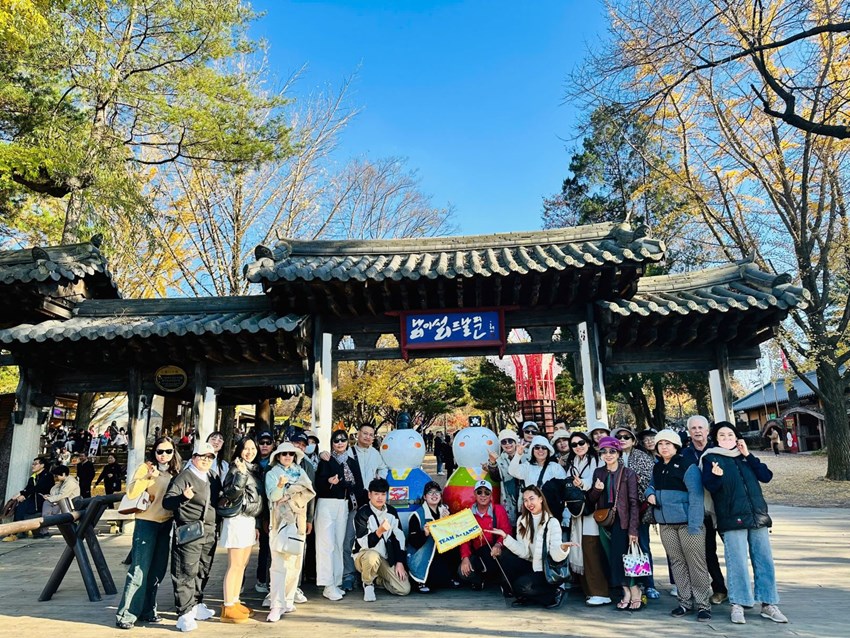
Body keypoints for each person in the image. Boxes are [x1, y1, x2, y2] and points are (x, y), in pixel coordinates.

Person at [700, 422, 788, 625]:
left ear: (736, 436)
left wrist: (748, 455)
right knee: (737, 561)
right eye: (722, 435)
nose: (726, 438)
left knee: (764, 560)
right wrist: (716, 476)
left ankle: (768, 604)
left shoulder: (745, 456)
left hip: (757, 516)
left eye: (730, 434)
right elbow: (709, 487)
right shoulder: (711, 457)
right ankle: (738, 604)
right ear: (716, 438)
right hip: (731, 518)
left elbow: (766, 476)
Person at [115, 437, 181, 629]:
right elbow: (132, 493)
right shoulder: (146, 468)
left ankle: (148, 609)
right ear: (154, 452)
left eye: (168, 451)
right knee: (139, 569)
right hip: (146, 522)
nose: (164, 455)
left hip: (166, 523)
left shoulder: (175, 471)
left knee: (158, 570)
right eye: (160, 451)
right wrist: (148, 477)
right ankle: (126, 614)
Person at [646, 429, 712, 622]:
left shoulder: (687, 465)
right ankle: (684, 601)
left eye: (668, 443)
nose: (664, 447)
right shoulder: (657, 467)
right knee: (677, 562)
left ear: (675, 445)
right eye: (660, 444)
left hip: (688, 524)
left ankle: (703, 604)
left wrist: (695, 524)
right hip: (666, 524)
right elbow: (651, 485)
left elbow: (696, 495)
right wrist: (649, 493)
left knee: (696, 563)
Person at [488, 486, 578, 608]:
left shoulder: (552, 522)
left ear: (540, 499)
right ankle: (527, 595)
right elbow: (523, 552)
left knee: (520, 586)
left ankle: (554, 593)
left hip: (545, 571)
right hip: (531, 565)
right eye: (525, 500)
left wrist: (563, 548)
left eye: (532, 499)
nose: (529, 503)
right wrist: (505, 537)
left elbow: (556, 557)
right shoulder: (522, 521)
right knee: (505, 558)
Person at [163, 441, 219, 632]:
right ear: (194, 457)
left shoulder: (212, 476)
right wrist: (183, 498)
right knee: (185, 570)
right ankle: (184, 612)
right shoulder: (184, 477)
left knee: (203, 569)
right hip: (190, 530)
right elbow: (168, 502)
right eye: (202, 456)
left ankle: (196, 604)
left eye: (210, 457)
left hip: (209, 530)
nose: (206, 460)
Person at [588, 435, 641, 611]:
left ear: (618, 452)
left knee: (624, 556)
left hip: (622, 519)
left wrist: (633, 529)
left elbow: (634, 502)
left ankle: (634, 590)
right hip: (604, 519)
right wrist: (597, 489)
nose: (608, 455)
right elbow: (591, 499)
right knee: (612, 557)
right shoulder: (599, 472)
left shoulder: (628, 473)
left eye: (612, 451)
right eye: (604, 451)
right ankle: (625, 590)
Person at [265, 441, 316, 621]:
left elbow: (309, 491)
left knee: (295, 562)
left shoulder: (300, 472)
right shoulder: (272, 474)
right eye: (284, 454)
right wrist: (281, 487)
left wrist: (290, 494)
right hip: (279, 522)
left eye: (291, 454)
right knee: (278, 564)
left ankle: (288, 599)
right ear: (278, 456)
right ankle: (276, 604)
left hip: (298, 520)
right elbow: (273, 496)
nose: (288, 457)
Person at [682, 415, 727, 604]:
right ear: (689, 432)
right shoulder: (684, 454)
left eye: (701, 427)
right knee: (707, 552)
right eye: (693, 428)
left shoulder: (720, 451)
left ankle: (741, 591)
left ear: (708, 431)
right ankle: (719, 588)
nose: (697, 431)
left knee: (733, 550)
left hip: (723, 507)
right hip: (700, 510)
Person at [314, 429, 364, 601]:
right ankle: (327, 584)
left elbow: (358, 485)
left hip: (344, 505)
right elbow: (318, 484)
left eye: (343, 440)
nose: (340, 443)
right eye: (336, 441)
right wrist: (329, 481)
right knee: (326, 544)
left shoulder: (351, 461)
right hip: (327, 503)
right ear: (332, 443)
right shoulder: (326, 459)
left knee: (338, 544)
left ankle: (336, 581)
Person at [218, 436, 263, 623]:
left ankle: (235, 601)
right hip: (237, 519)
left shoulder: (253, 469)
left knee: (242, 565)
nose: (250, 452)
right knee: (234, 564)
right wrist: (242, 475)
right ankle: (228, 606)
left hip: (249, 520)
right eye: (246, 448)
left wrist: (258, 525)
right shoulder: (236, 468)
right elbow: (231, 493)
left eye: (253, 448)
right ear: (239, 450)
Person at [340, 423, 388, 591]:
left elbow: (383, 469)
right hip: (354, 503)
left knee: (370, 539)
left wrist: (378, 481)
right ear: (357, 434)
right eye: (365, 433)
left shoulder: (376, 454)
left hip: (370, 505)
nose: (368, 437)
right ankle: (348, 575)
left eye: (371, 434)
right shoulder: (348, 453)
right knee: (348, 539)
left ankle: (369, 575)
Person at [563, 432, 610, 606]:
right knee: (581, 550)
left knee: (592, 552)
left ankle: (600, 592)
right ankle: (589, 591)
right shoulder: (573, 462)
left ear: (588, 443)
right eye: (574, 445)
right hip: (578, 512)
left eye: (581, 442)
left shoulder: (597, 460)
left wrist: (581, 483)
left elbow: (597, 481)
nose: (578, 447)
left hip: (593, 511)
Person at [613, 426, 659, 599]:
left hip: (639, 508)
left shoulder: (642, 457)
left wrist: (634, 480)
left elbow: (648, 480)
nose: (622, 439)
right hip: (618, 510)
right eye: (619, 437)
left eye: (626, 437)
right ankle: (629, 583)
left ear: (633, 440)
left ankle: (649, 583)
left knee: (642, 545)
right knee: (622, 547)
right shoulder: (611, 456)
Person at [352, 477, 411, 601]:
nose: (380, 497)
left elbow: (399, 538)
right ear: (369, 495)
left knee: (404, 589)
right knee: (372, 556)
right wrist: (379, 531)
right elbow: (363, 543)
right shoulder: (362, 513)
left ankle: (378, 580)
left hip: (385, 558)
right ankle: (368, 584)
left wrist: (399, 562)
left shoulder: (391, 512)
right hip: (364, 556)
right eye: (376, 494)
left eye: (383, 494)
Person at [456, 480, 512, 591]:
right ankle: (480, 579)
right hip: (478, 555)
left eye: (487, 492)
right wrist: (465, 557)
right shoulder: (468, 513)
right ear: (474, 494)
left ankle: (499, 579)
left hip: (495, 552)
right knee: (463, 572)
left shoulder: (499, 510)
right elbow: (464, 539)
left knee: (508, 560)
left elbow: (507, 531)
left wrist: (499, 544)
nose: (483, 495)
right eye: (479, 492)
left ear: (491, 495)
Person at [407, 481, 459, 592]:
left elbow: (452, 538)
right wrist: (425, 534)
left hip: (439, 555)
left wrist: (447, 521)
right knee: (434, 578)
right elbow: (413, 543)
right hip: (423, 556)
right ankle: (420, 581)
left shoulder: (445, 511)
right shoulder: (417, 515)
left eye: (437, 492)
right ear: (425, 497)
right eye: (430, 492)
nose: (434, 495)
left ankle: (448, 576)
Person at [509, 435, 568, 523]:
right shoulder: (527, 466)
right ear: (532, 450)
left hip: (551, 511)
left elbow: (564, 490)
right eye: (537, 447)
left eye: (544, 448)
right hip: (531, 510)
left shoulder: (555, 467)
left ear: (548, 450)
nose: (540, 450)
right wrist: (518, 455)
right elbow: (512, 471)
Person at [291, 432, 317, 598]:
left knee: (299, 549)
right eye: (296, 443)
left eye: (303, 444)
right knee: (278, 551)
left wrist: (309, 518)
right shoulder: (278, 460)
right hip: (280, 513)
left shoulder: (308, 465)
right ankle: (276, 587)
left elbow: (311, 493)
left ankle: (295, 585)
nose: (299, 447)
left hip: (300, 512)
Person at [3, 455, 54, 541]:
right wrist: (22, 496)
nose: (33, 466)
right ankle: (17, 532)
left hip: (43, 501)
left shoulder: (47, 475)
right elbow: (29, 488)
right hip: (33, 500)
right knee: (19, 507)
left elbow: (38, 488)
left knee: (22, 508)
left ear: (42, 465)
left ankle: (16, 532)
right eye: (32, 464)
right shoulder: (33, 477)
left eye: (35, 464)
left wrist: (22, 493)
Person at [253, 430, 276, 594]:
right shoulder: (251, 463)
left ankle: (270, 580)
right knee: (259, 548)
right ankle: (260, 578)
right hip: (254, 510)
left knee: (270, 548)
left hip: (271, 510)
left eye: (268, 442)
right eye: (262, 443)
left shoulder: (275, 463)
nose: (265, 446)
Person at [486, 429, 521, 526]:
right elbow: (496, 477)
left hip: (525, 496)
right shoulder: (499, 459)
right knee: (512, 526)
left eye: (510, 441)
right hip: (509, 497)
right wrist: (492, 464)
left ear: (515, 442)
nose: (507, 444)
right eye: (504, 442)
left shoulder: (525, 456)